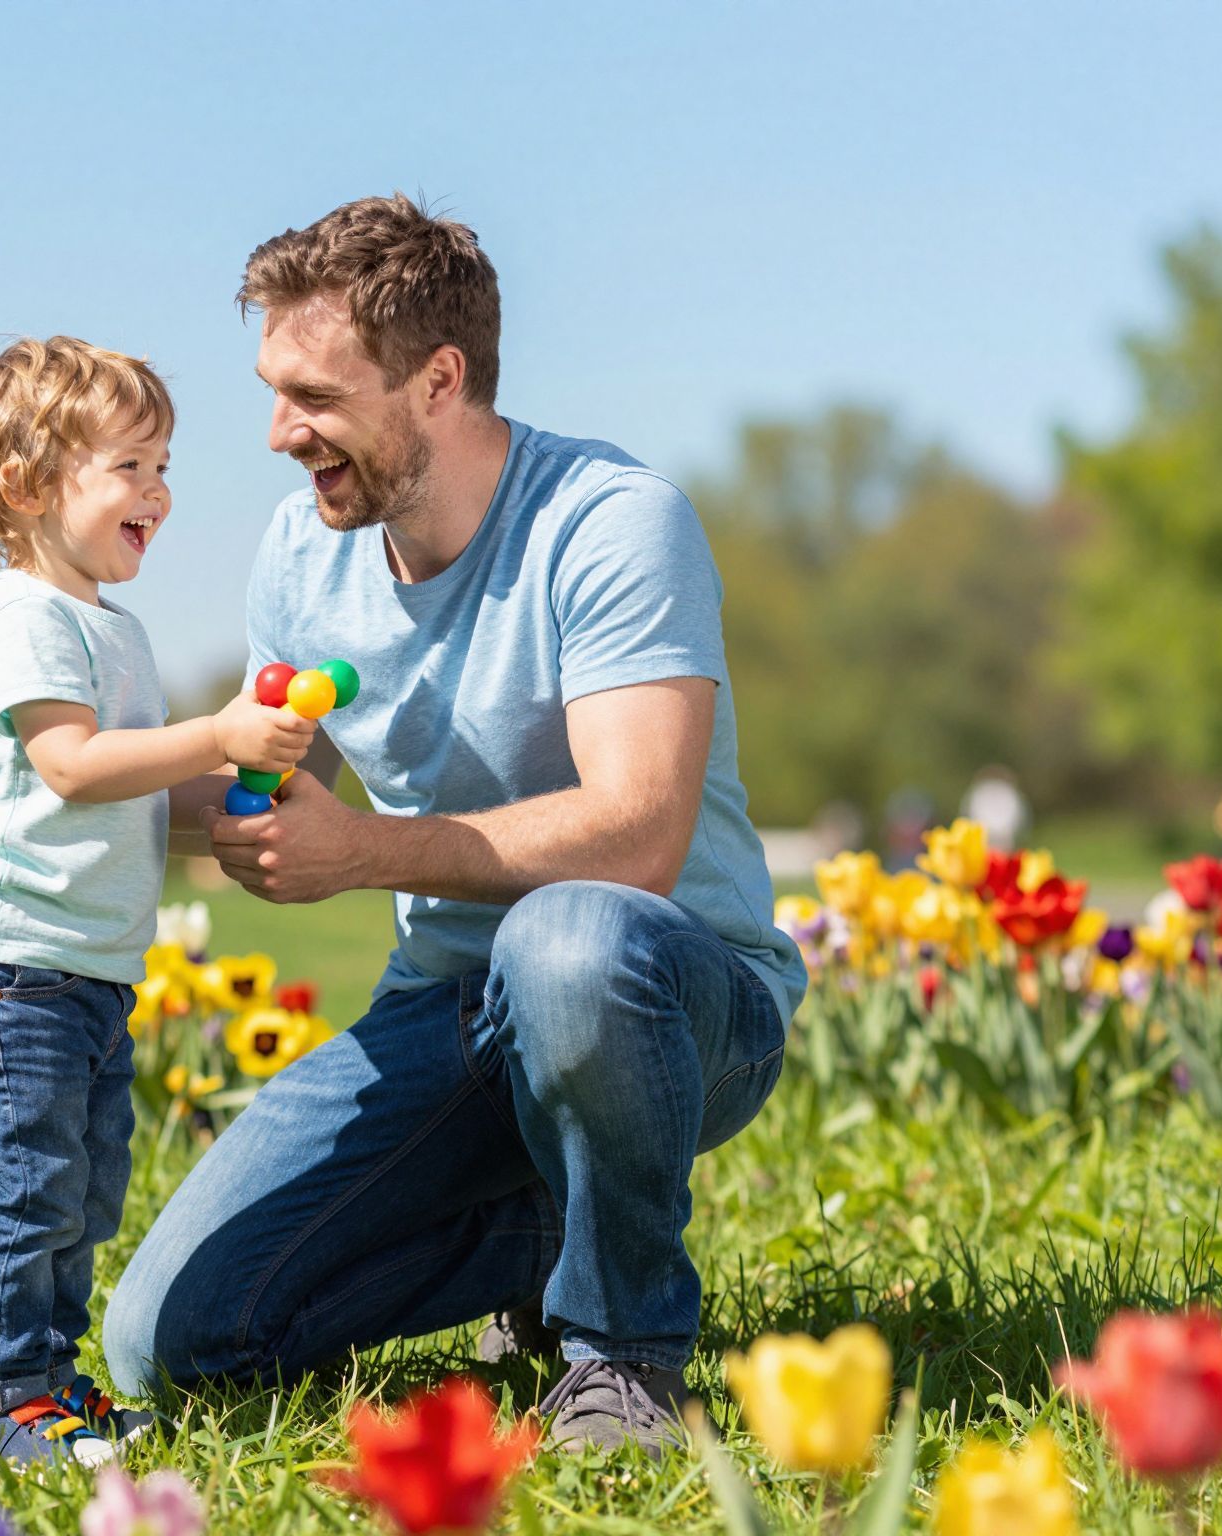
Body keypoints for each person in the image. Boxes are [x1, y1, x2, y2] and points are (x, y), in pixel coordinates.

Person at [103, 197, 807, 1458]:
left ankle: (619, 1353)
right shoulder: (298, 556)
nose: (278, 433)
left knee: (569, 944)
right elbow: (263, 792)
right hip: (447, 1007)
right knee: (169, 1343)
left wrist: (360, 853)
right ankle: (546, 1231)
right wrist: (76, 785)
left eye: (314, 395)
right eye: (273, 391)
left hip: (671, 998)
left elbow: (637, 838)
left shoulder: (608, 520)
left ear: (438, 380)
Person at [0, 336, 315, 1466]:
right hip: (3, 967)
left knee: (82, 1195)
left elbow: (132, 791)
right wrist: (218, 729)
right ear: (33, 486)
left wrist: (240, 793)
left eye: (164, 466)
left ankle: (46, 1383)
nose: (159, 494)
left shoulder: (108, 628)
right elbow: (76, 769)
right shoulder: (24, 614)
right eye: (130, 467)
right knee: (31, 1188)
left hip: (79, 971)